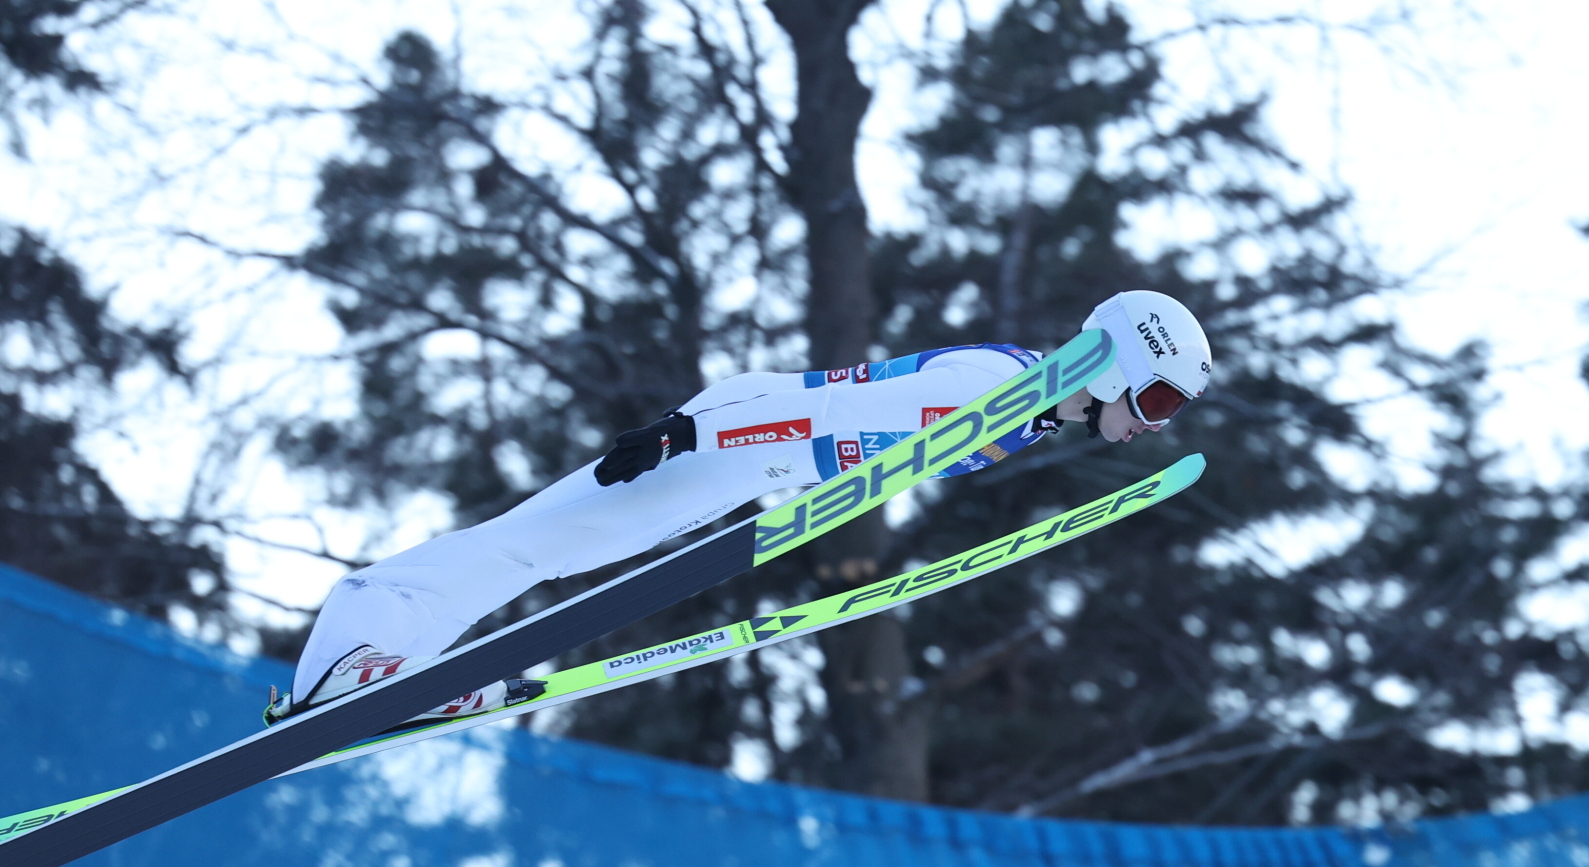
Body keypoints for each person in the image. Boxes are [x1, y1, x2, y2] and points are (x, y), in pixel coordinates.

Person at [264, 290, 1212, 726]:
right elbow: (826, 411)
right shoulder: (997, 391)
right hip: (737, 443)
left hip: (749, 462)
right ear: (1121, 360)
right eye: (1160, 401)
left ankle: (382, 661)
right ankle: (363, 643)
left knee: (538, 552)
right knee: (532, 548)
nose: (1153, 426)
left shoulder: (1024, 414)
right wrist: (691, 434)